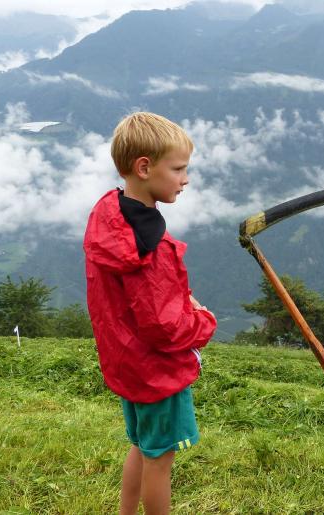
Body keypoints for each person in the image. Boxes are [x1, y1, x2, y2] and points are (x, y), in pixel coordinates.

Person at [84, 112, 217, 515]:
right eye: (178, 168)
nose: (185, 178)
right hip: (156, 371)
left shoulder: (111, 218)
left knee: (142, 447)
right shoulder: (148, 245)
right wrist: (203, 321)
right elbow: (164, 327)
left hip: (127, 362)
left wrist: (179, 297)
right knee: (160, 461)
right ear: (144, 167)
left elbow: (137, 301)